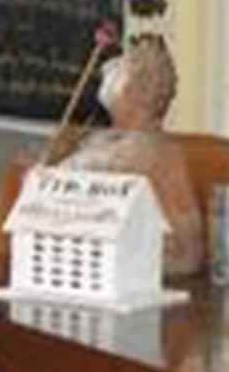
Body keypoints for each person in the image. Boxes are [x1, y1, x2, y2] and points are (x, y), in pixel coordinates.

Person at [60, 34, 205, 276]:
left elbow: (75, 178)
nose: (109, 70)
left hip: (137, 274)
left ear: (133, 90)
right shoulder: (110, 141)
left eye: (121, 67)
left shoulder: (146, 152)